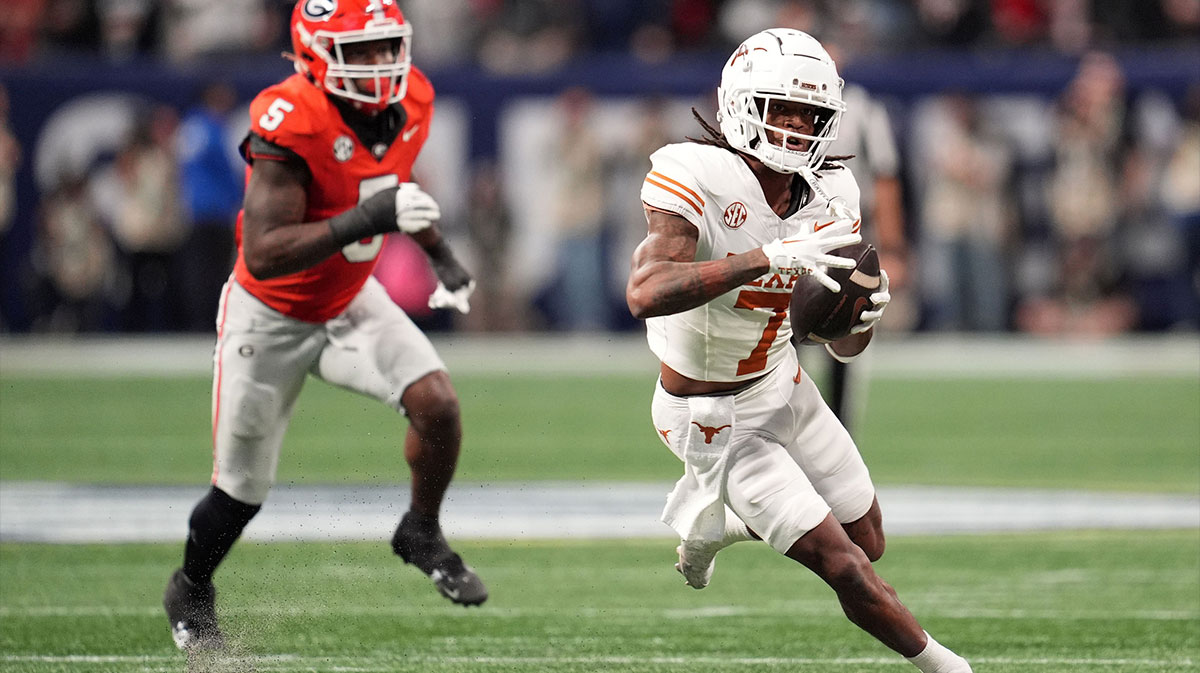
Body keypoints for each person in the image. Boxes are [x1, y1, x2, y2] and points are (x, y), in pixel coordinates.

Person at [625, 29, 973, 672]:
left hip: (784, 384)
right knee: (842, 563)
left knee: (868, 541)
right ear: (738, 105)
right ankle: (951, 668)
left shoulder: (835, 192)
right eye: (779, 108)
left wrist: (863, 312)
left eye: (808, 114)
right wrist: (765, 258)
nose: (794, 127)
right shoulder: (694, 170)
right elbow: (645, 292)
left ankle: (719, 523)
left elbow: (840, 344)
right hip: (712, 417)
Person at [163, 0, 485, 653]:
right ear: (314, 56)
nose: (379, 64)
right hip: (271, 314)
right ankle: (191, 587)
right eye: (359, 52)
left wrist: (442, 256)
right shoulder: (292, 118)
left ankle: (420, 529)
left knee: (438, 405)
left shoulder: (411, 98)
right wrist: (371, 218)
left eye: (385, 46)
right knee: (239, 492)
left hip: (345, 298)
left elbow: (393, 186)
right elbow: (264, 249)